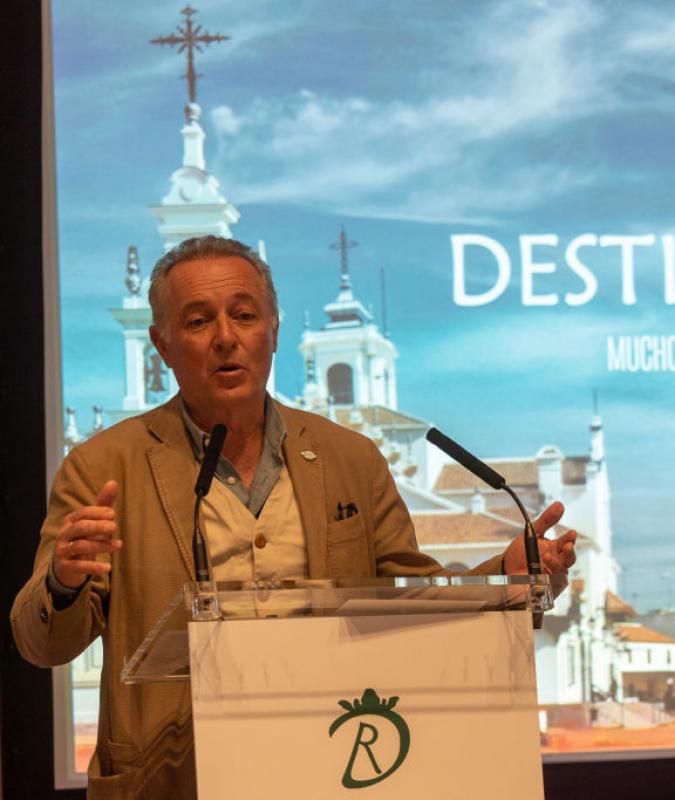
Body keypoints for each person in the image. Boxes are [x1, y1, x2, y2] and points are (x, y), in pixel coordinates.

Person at [10, 236, 576, 799]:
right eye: (199, 322)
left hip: (329, 767)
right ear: (162, 345)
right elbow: (42, 645)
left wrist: (505, 575)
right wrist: (63, 582)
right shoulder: (103, 466)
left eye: (244, 315)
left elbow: (413, 602)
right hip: (171, 780)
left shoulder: (350, 459)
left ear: (274, 331)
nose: (226, 337)